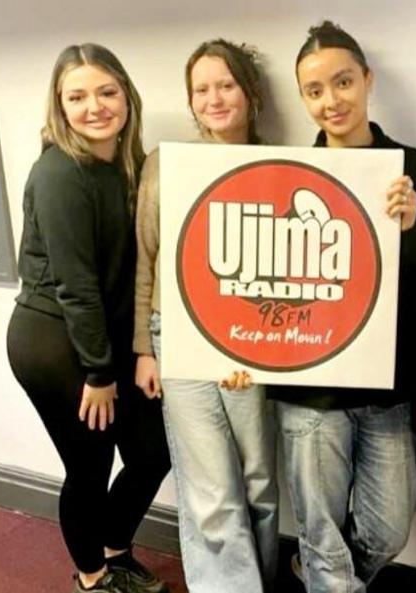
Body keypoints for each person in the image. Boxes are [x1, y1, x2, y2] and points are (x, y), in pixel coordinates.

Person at [267, 20, 416, 593]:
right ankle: (326, 576)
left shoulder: (414, 168)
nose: (331, 101)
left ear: (367, 80)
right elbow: (267, 283)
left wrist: (413, 225)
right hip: (309, 387)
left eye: (342, 82)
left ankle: (323, 577)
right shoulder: (288, 178)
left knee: (389, 525)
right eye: (314, 91)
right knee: (320, 531)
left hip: (386, 386)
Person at [6, 43, 171, 593]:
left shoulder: (123, 165)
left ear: (126, 95)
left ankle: (113, 548)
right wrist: (99, 375)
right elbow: (76, 287)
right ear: (60, 105)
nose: (94, 106)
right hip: (55, 343)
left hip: (106, 335)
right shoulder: (60, 174)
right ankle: (93, 578)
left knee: (152, 454)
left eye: (106, 91)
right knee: (90, 467)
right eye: (77, 96)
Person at [132, 39, 279, 593]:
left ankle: (259, 580)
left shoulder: (279, 167)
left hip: (253, 340)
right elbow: (146, 258)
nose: (214, 98)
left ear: (249, 92)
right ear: (191, 102)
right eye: (201, 89)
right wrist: (144, 348)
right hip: (180, 338)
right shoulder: (164, 166)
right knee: (211, 492)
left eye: (225, 84)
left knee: (259, 484)